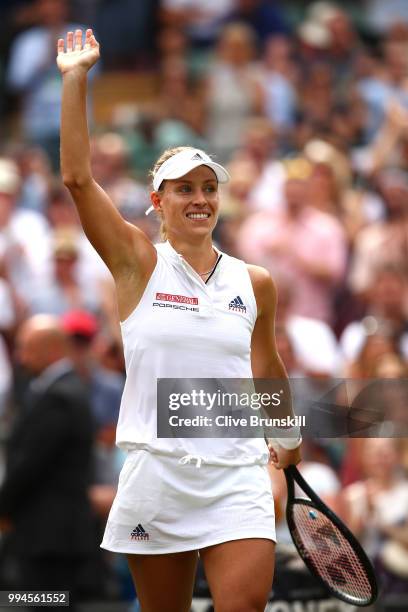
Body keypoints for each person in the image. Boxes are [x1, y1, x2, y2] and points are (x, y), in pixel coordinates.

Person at [57, 28, 301, 612]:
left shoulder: (256, 282)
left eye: (209, 188)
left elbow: (265, 365)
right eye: (185, 188)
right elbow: (77, 179)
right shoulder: (136, 261)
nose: (200, 198)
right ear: (157, 200)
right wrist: (76, 79)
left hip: (237, 475)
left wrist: (287, 438)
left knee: (243, 606)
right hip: (157, 474)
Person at [0, 315, 96, 609]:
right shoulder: (62, 390)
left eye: (26, 347)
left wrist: (3, 506)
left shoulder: (58, 397)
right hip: (52, 533)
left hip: (50, 536)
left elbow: (28, 464)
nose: (20, 357)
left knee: (48, 604)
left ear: (51, 349)